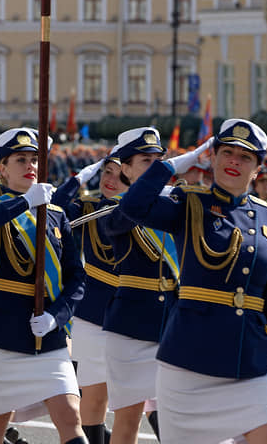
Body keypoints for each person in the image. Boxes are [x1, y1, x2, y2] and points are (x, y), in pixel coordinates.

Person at [119, 119, 267, 444]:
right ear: (211, 158)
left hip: (249, 363)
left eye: (245, 157)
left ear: (258, 168)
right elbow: (133, 206)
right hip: (189, 363)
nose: (234, 162)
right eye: (226, 152)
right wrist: (171, 165)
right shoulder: (188, 203)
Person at [0, 127, 87, 444]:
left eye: (34, 159)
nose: (30, 166)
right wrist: (25, 202)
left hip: (48, 339)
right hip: (1, 338)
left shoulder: (56, 215)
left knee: (71, 418)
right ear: (3, 168)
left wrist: (56, 317)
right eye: (20, 159)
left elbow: (77, 279)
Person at [100, 127, 179, 444]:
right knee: (128, 418)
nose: (153, 165)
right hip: (131, 328)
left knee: (180, 416)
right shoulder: (115, 207)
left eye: (157, 159)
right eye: (145, 160)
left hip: (175, 325)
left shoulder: (177, 202)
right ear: (126, 168)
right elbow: (119, 223)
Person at [55, 148, 126, 444]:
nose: (109, 179)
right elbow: (54, 207)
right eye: (106, 171)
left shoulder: (152, 211)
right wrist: (79, 178)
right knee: (95, 399)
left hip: (136, 313)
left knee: (136, 402)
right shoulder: (88, 207)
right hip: (94, 314)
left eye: (119, 174)